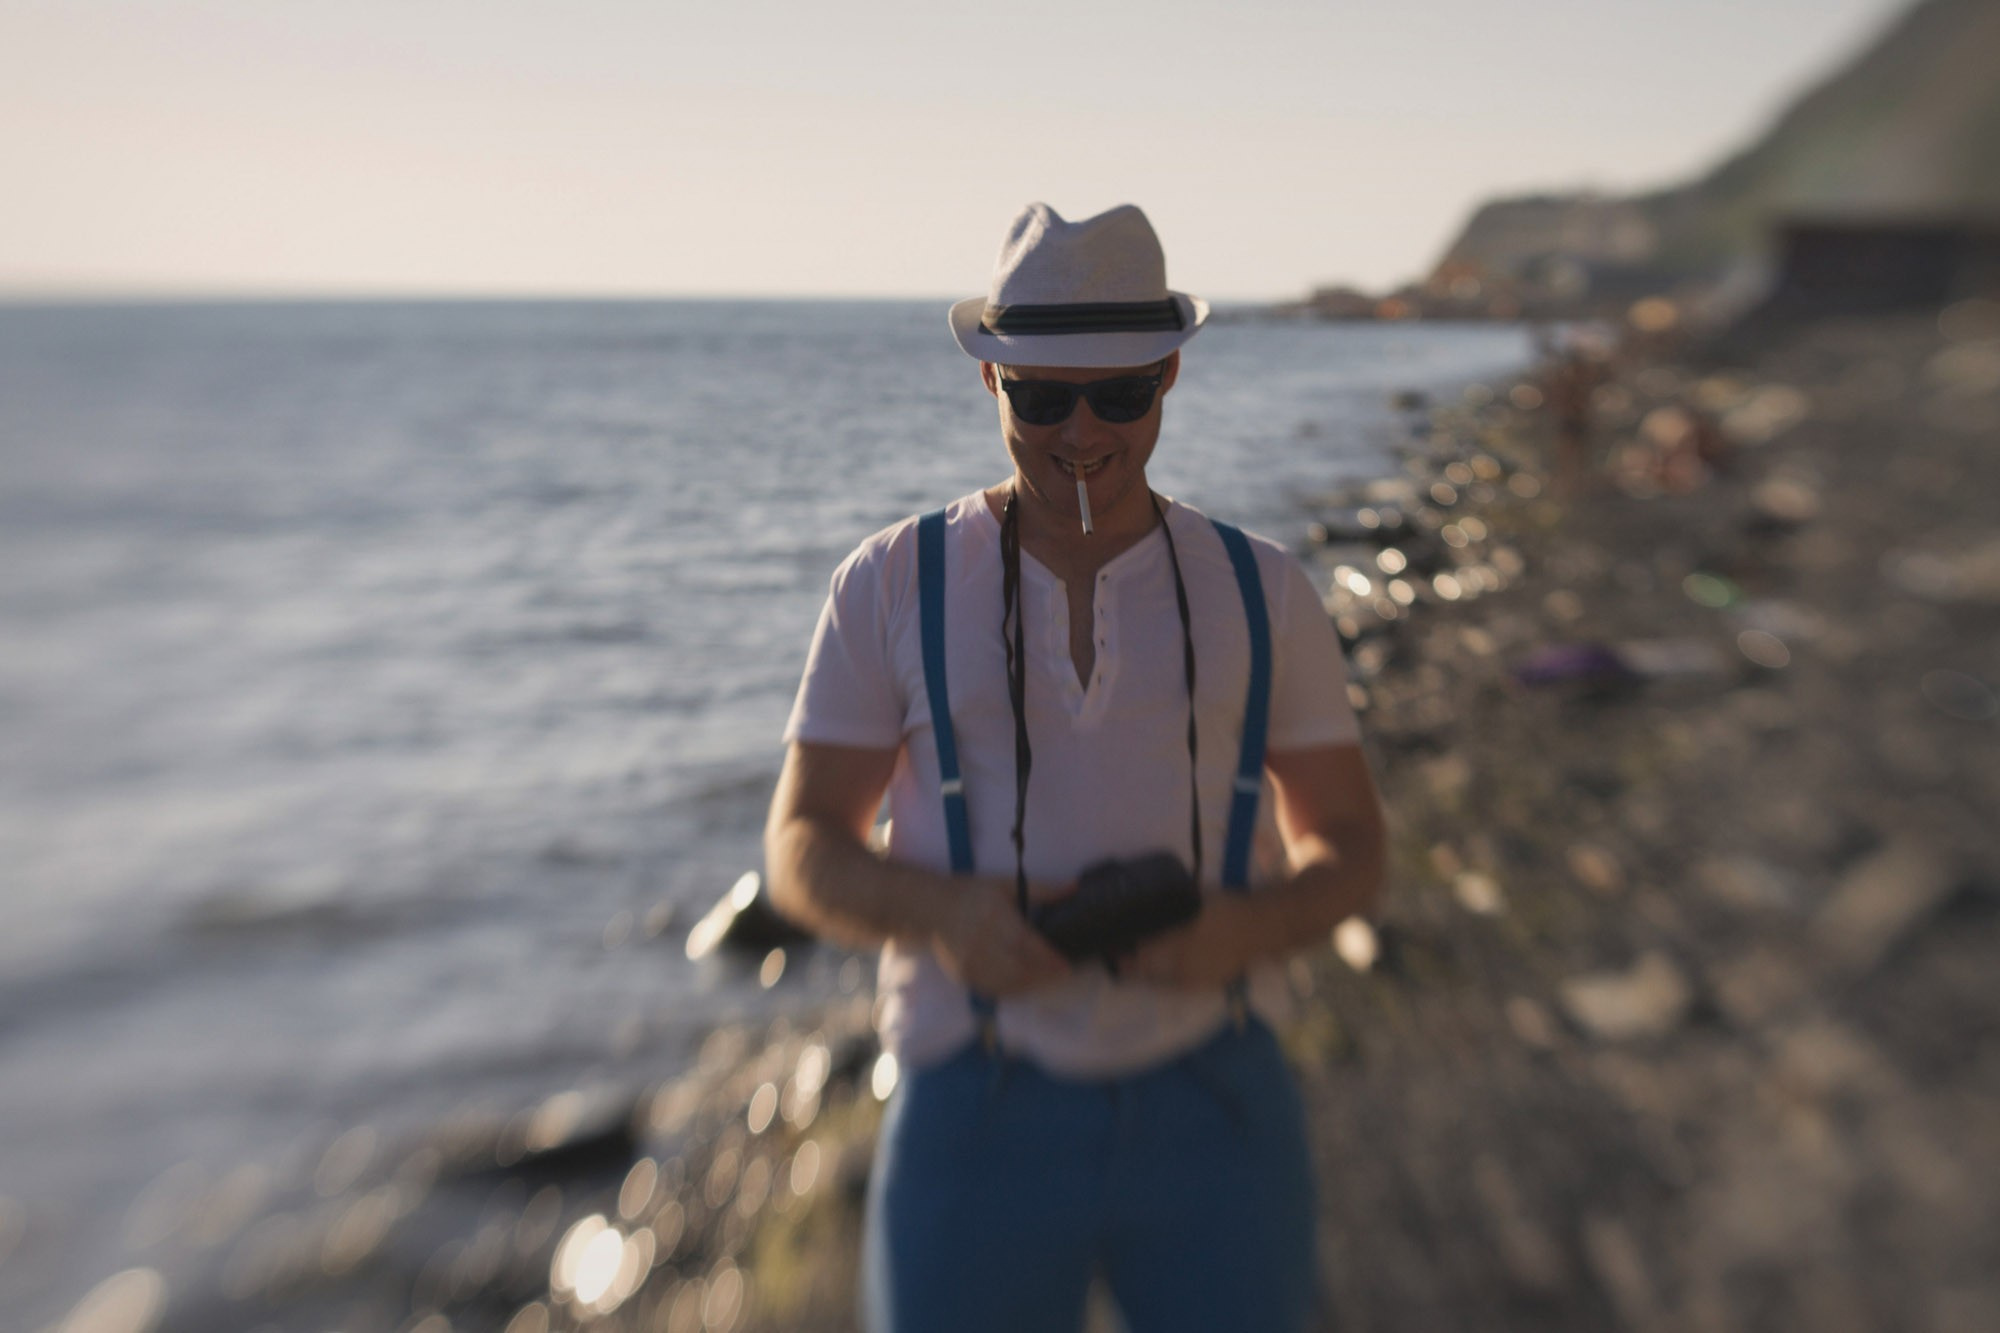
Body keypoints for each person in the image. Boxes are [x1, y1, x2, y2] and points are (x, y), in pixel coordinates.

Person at [764, 202, 1386, 1333]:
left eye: (1119, 393)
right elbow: (800, 848)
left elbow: (1349, 843)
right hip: (973, 1109)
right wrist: (948, 912)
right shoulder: (893, 582)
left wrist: (1242, 932)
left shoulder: (1265, 591)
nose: (1081, 432)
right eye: (1043, 397)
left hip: (1218, 1102)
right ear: (990, 385)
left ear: (1169, 372)